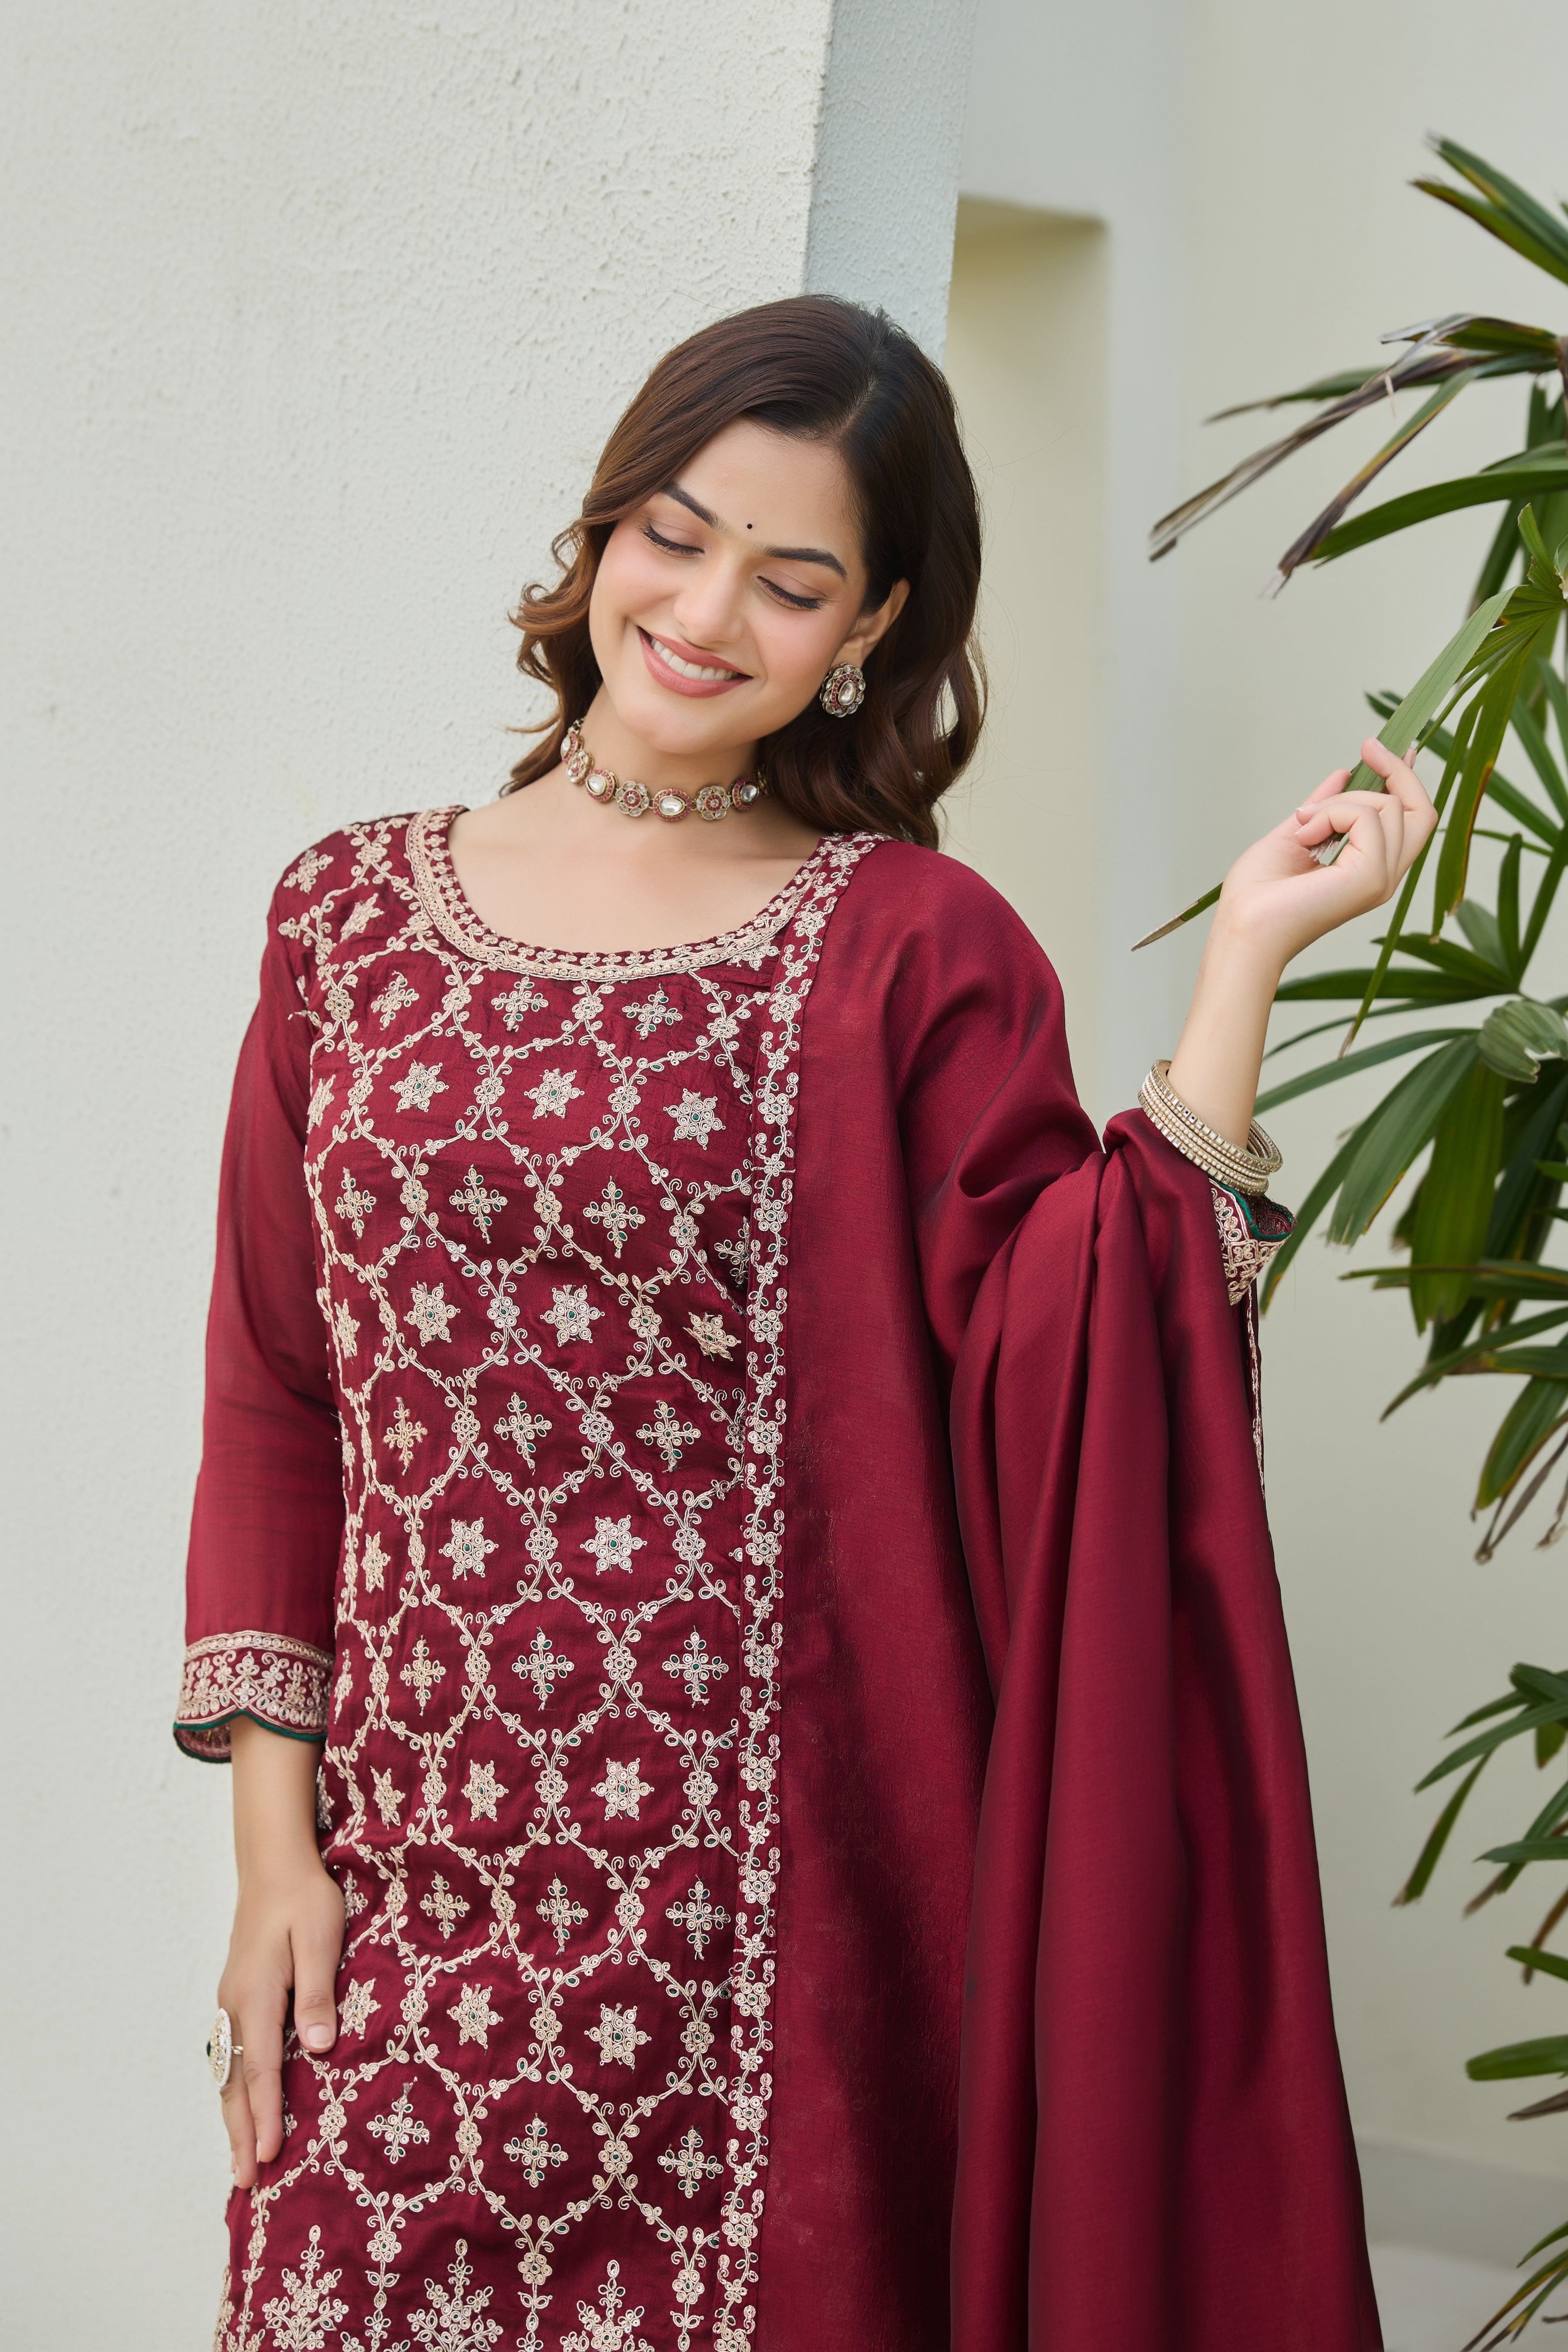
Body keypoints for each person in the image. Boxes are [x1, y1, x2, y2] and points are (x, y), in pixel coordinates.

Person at [178, 295, 1427, 2352]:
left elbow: (1065, 1347)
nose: (704, 611)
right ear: (598, 538)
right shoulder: (348, 918)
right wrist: (270, 1856)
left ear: (873, 625)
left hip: (765, 1933)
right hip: (405, 1890)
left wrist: (1248, 968)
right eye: (673, 535)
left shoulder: (907, 949)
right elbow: (278, 1389)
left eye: (794, 578)